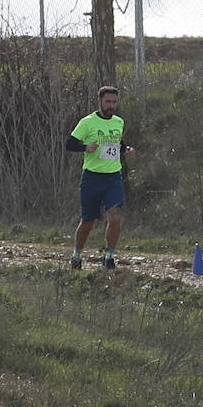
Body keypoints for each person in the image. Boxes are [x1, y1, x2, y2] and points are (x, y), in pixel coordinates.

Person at [66, 86, 134, 270]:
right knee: (88, 221)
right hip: (92, 178)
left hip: (113, 177)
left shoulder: (119, 122)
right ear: (99, 101)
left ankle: (109, 258)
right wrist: (85, 148)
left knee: (115, 218)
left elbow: (116, 142)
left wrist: (126, 149)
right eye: (108, 102)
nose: (111, 106)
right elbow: (69, 144)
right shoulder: (87, 122)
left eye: (114, 102)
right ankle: (77, 256)